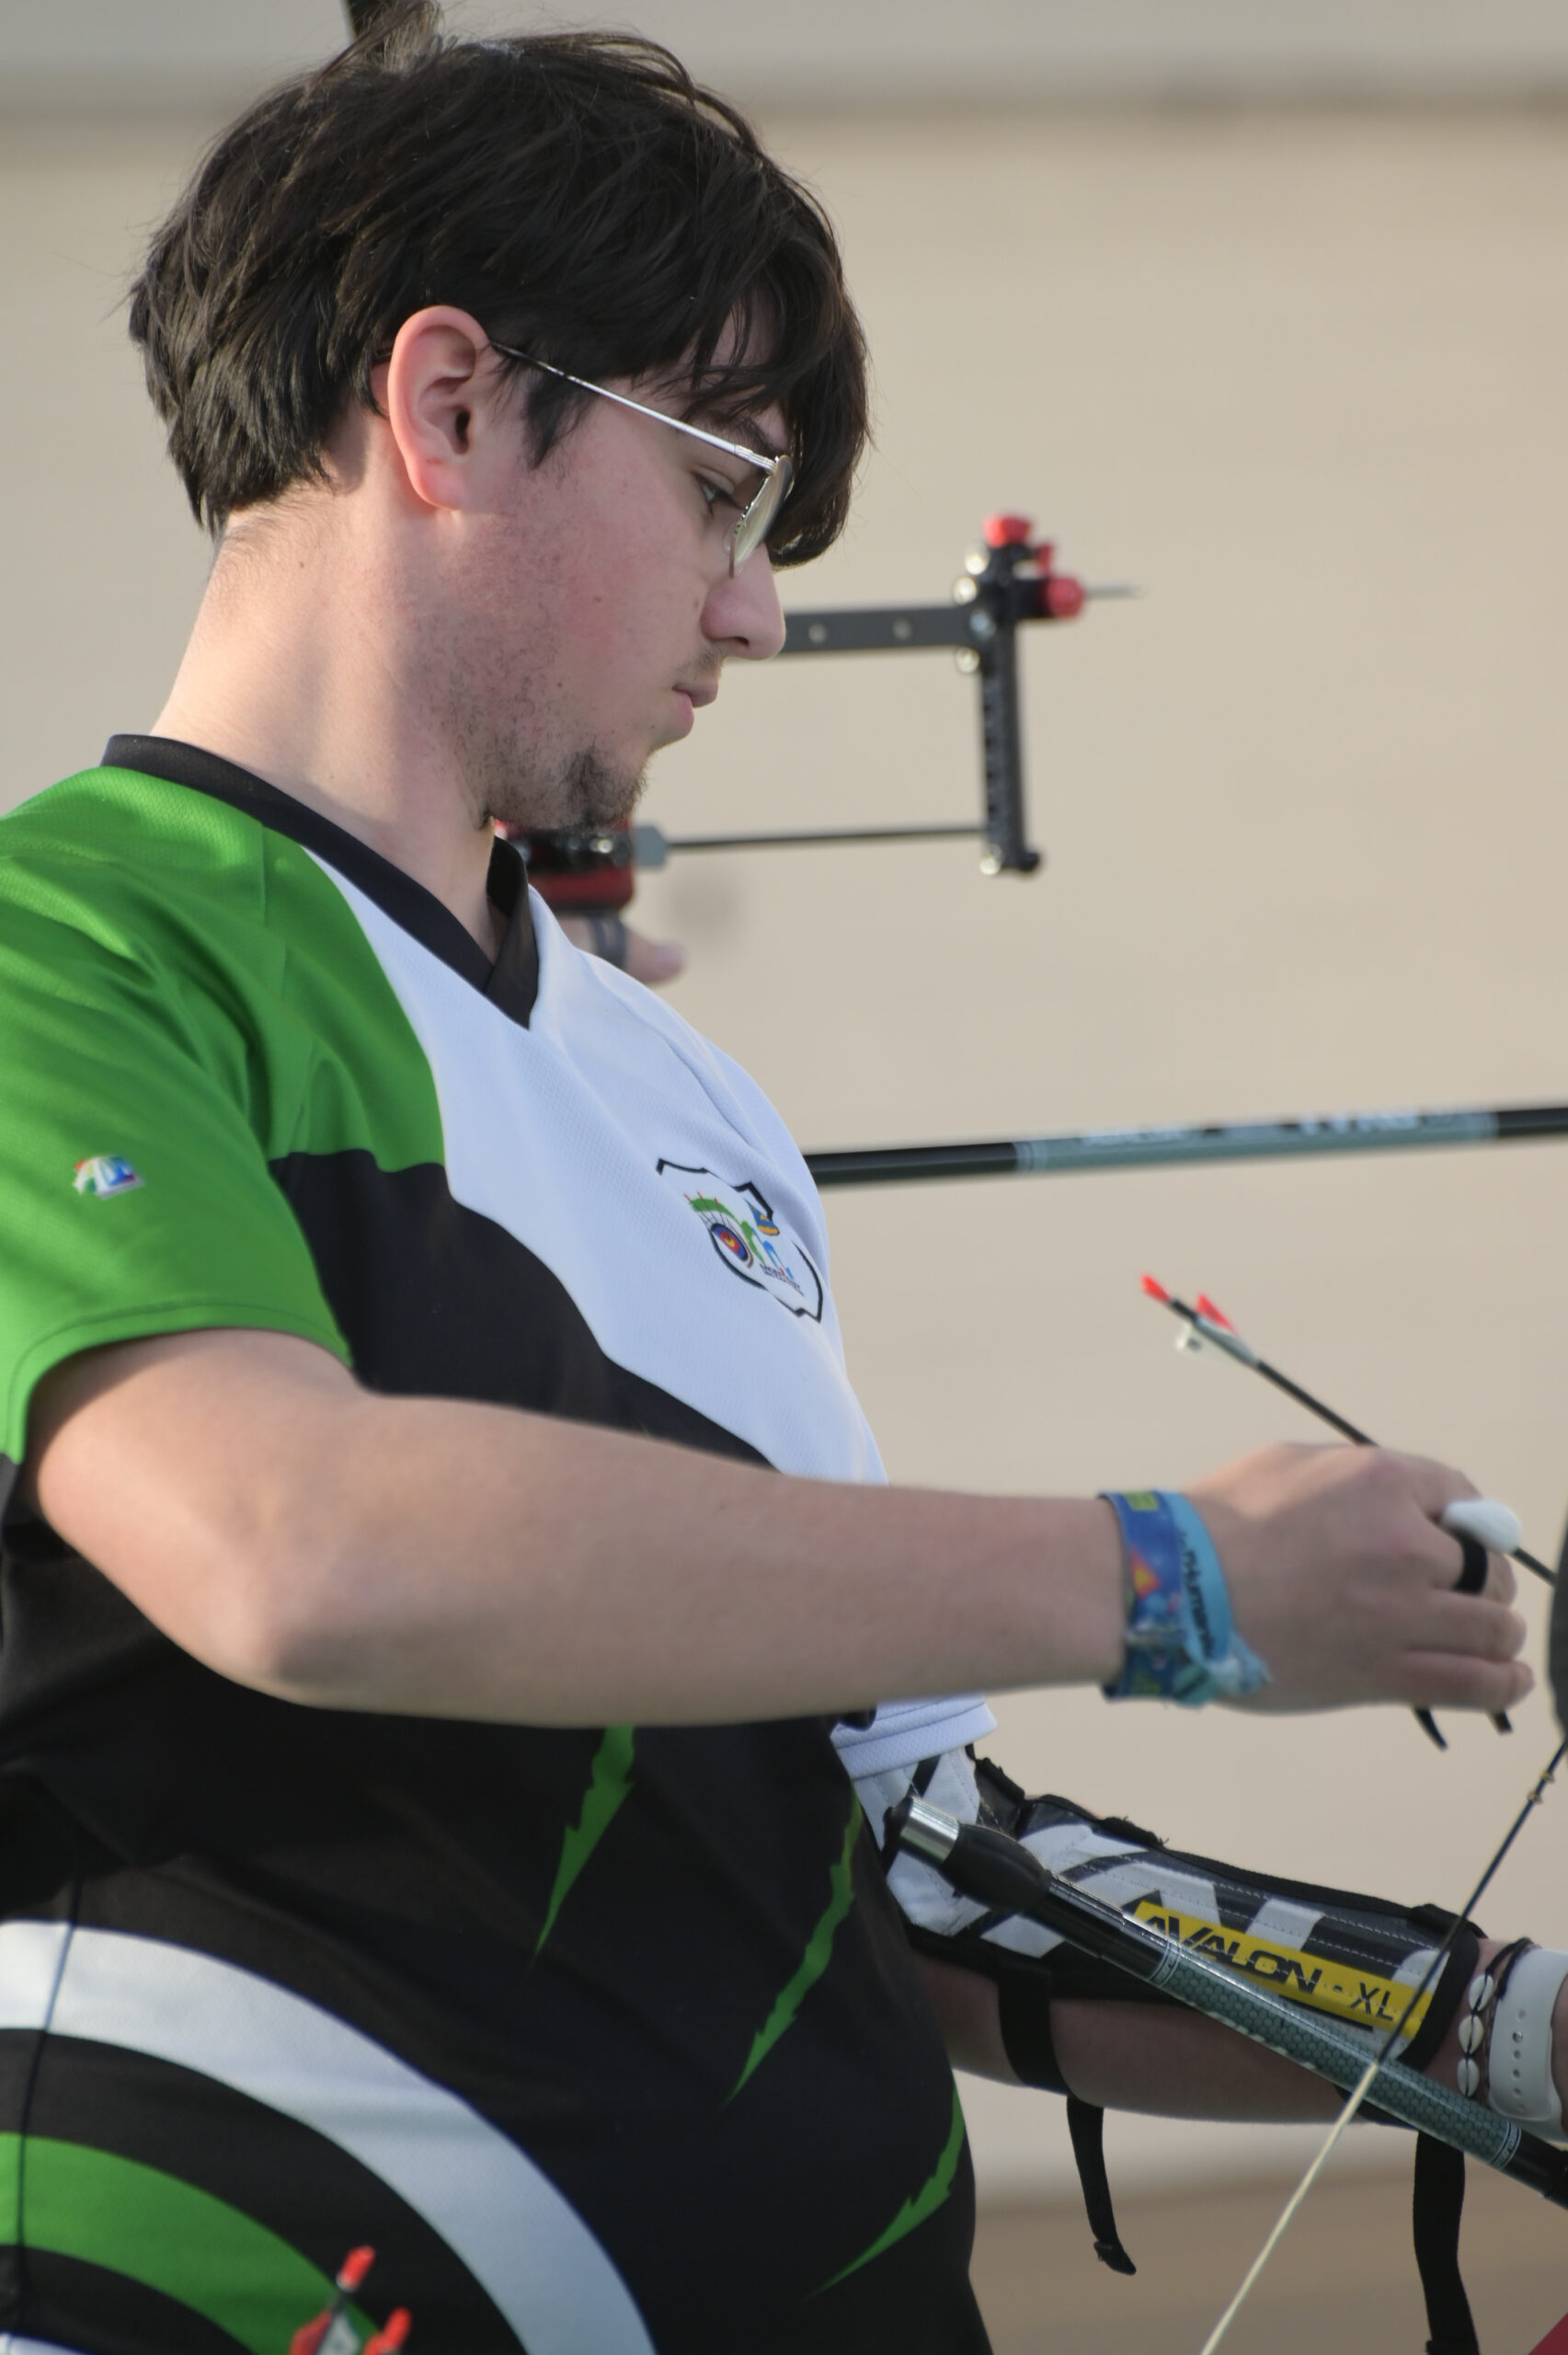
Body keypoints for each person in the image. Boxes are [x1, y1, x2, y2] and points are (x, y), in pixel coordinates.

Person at [0, 12, 1556, 2350]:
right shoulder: (66, 942)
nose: (757, 610)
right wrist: (1171, 1578)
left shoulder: (685, 1094)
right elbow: (293, 1544)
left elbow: (896, 1856)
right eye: (722, 487)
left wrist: (1498, 2029)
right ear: (448, 406)